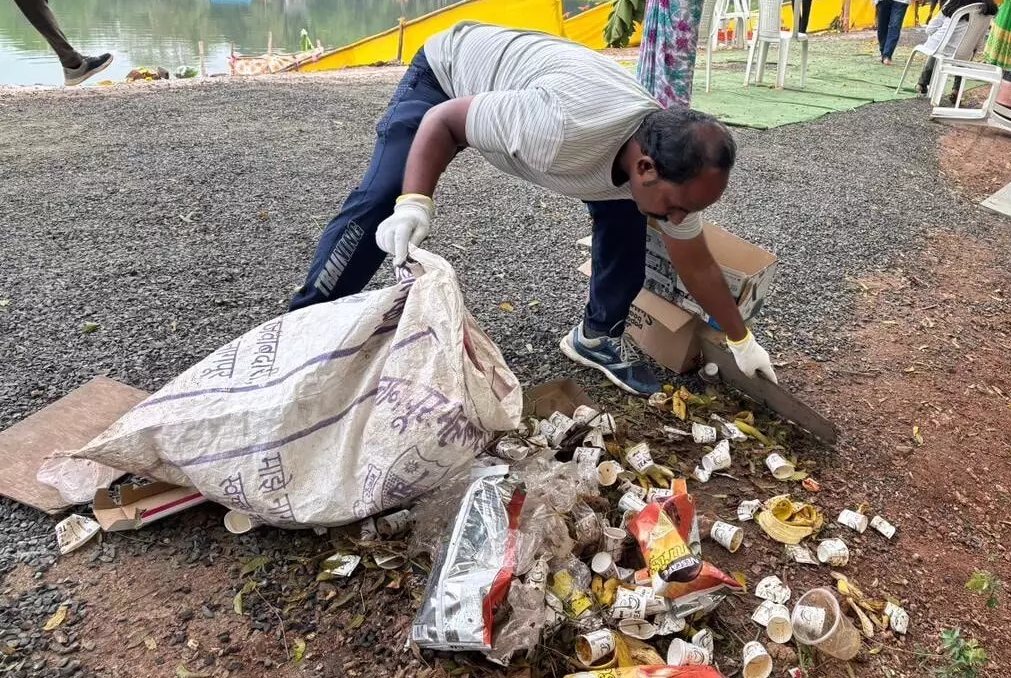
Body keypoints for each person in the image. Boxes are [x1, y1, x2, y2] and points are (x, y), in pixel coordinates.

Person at [289, 23, 778, 397]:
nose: (677, 220)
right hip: (449, 73)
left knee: (628, 217)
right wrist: (416, 202)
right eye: (675, 208)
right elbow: (445, 122)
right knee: (384, 198)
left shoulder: (669, 169)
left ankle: (595, 336)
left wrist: (741, 340)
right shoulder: (556, 129)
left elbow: (696, 263)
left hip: (544, 89)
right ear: (645, 167)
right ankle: (303, 334)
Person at [915, 0, 998, 94]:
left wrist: (932, 32)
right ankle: (956, 89)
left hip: (942, 48)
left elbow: (931, 28)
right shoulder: (988, 9)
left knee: (938, 45)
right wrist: (974, 48)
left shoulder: (955, 2)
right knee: (961, 53)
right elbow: (980, 39)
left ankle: (922, 82)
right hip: (965, 52)